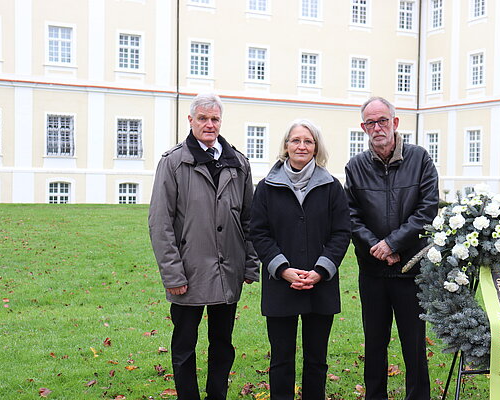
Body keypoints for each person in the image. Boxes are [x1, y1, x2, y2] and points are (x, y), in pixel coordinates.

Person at [148, 93, 259, 400]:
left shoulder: (238, 162)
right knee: (185, 344)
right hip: (189, 271)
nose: (209, 125)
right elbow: (160, 223)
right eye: (203, 118)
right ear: (191, 120)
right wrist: (173, 275)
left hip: (228, 270)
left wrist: (249, 264)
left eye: (214, 119)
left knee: (222, 343)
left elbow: (249, 219)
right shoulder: (173, 163)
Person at [344, 97, 439, 400]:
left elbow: (426, 210)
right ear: (363, 128)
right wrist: (377, 247)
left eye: (382, 120)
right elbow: (350, 216)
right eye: (370, 122)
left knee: (414, 344)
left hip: (411, 269)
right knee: (374, 343)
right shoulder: (355, 166)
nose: (377, 127)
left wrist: (393, 243)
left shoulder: (420, 159)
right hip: (373, 272)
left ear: (395, 123)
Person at [250, 119, 351, 400]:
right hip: (281, 284)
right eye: (296, 140)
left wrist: (321, 270)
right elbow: (258, 232)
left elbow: (342, 233)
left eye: (308, 141)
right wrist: (282, 269)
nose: (301, 146)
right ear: (286, 146)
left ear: (316, 147)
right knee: (281, 360)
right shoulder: (267, 187)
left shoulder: (331, 187)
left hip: (320, 285)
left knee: (316, 360)